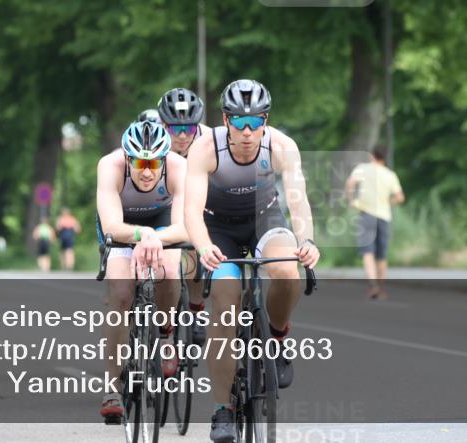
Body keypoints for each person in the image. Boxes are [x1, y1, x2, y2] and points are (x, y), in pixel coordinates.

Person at [183, 79, 319, 443]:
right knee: (224, 305)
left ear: (265, 120)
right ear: (225, 120)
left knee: (287, 270)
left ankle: (277, 336)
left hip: (265, 220)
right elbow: (191, 211)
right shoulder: (205, 148)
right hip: (217, 227)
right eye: (239, 122)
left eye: (255, 122)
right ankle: (222, 409)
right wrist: (203, 246)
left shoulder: (282, 146)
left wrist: (306, 240)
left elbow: (298, 201)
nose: (247, 132)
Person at [96, 121, 190, 423]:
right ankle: (112, 387)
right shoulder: (109, 166)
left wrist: (154, 237)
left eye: (153, 164)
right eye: (139, 163)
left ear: (164, 159)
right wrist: (142, 235)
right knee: (121, 295)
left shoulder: (178, 167)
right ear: (127, 159)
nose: (147, 172)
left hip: (164, 223)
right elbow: (111, 226)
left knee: (169, 271)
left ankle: (165, 335)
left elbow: (184, 226)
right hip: (123, 225)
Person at [157, 87, 211, 343]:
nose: (181, 135)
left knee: (194, 250)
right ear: (162, 125)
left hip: (199, 201)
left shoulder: (210, 140)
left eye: (188, 128)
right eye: (174, 128)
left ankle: (196, 310)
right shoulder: (153, 139)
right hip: (164, 200)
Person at [345, 145, 404, 299]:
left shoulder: (362, 169)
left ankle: (372, 286)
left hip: (366, 214)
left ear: (372, 155)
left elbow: (350, 183)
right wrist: (387, 203)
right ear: (385, 157)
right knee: (381, 255)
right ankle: (381, 287)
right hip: (384, 216)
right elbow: (400, 197)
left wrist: (351, 200)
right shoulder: (390, 175)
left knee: (367, 252)